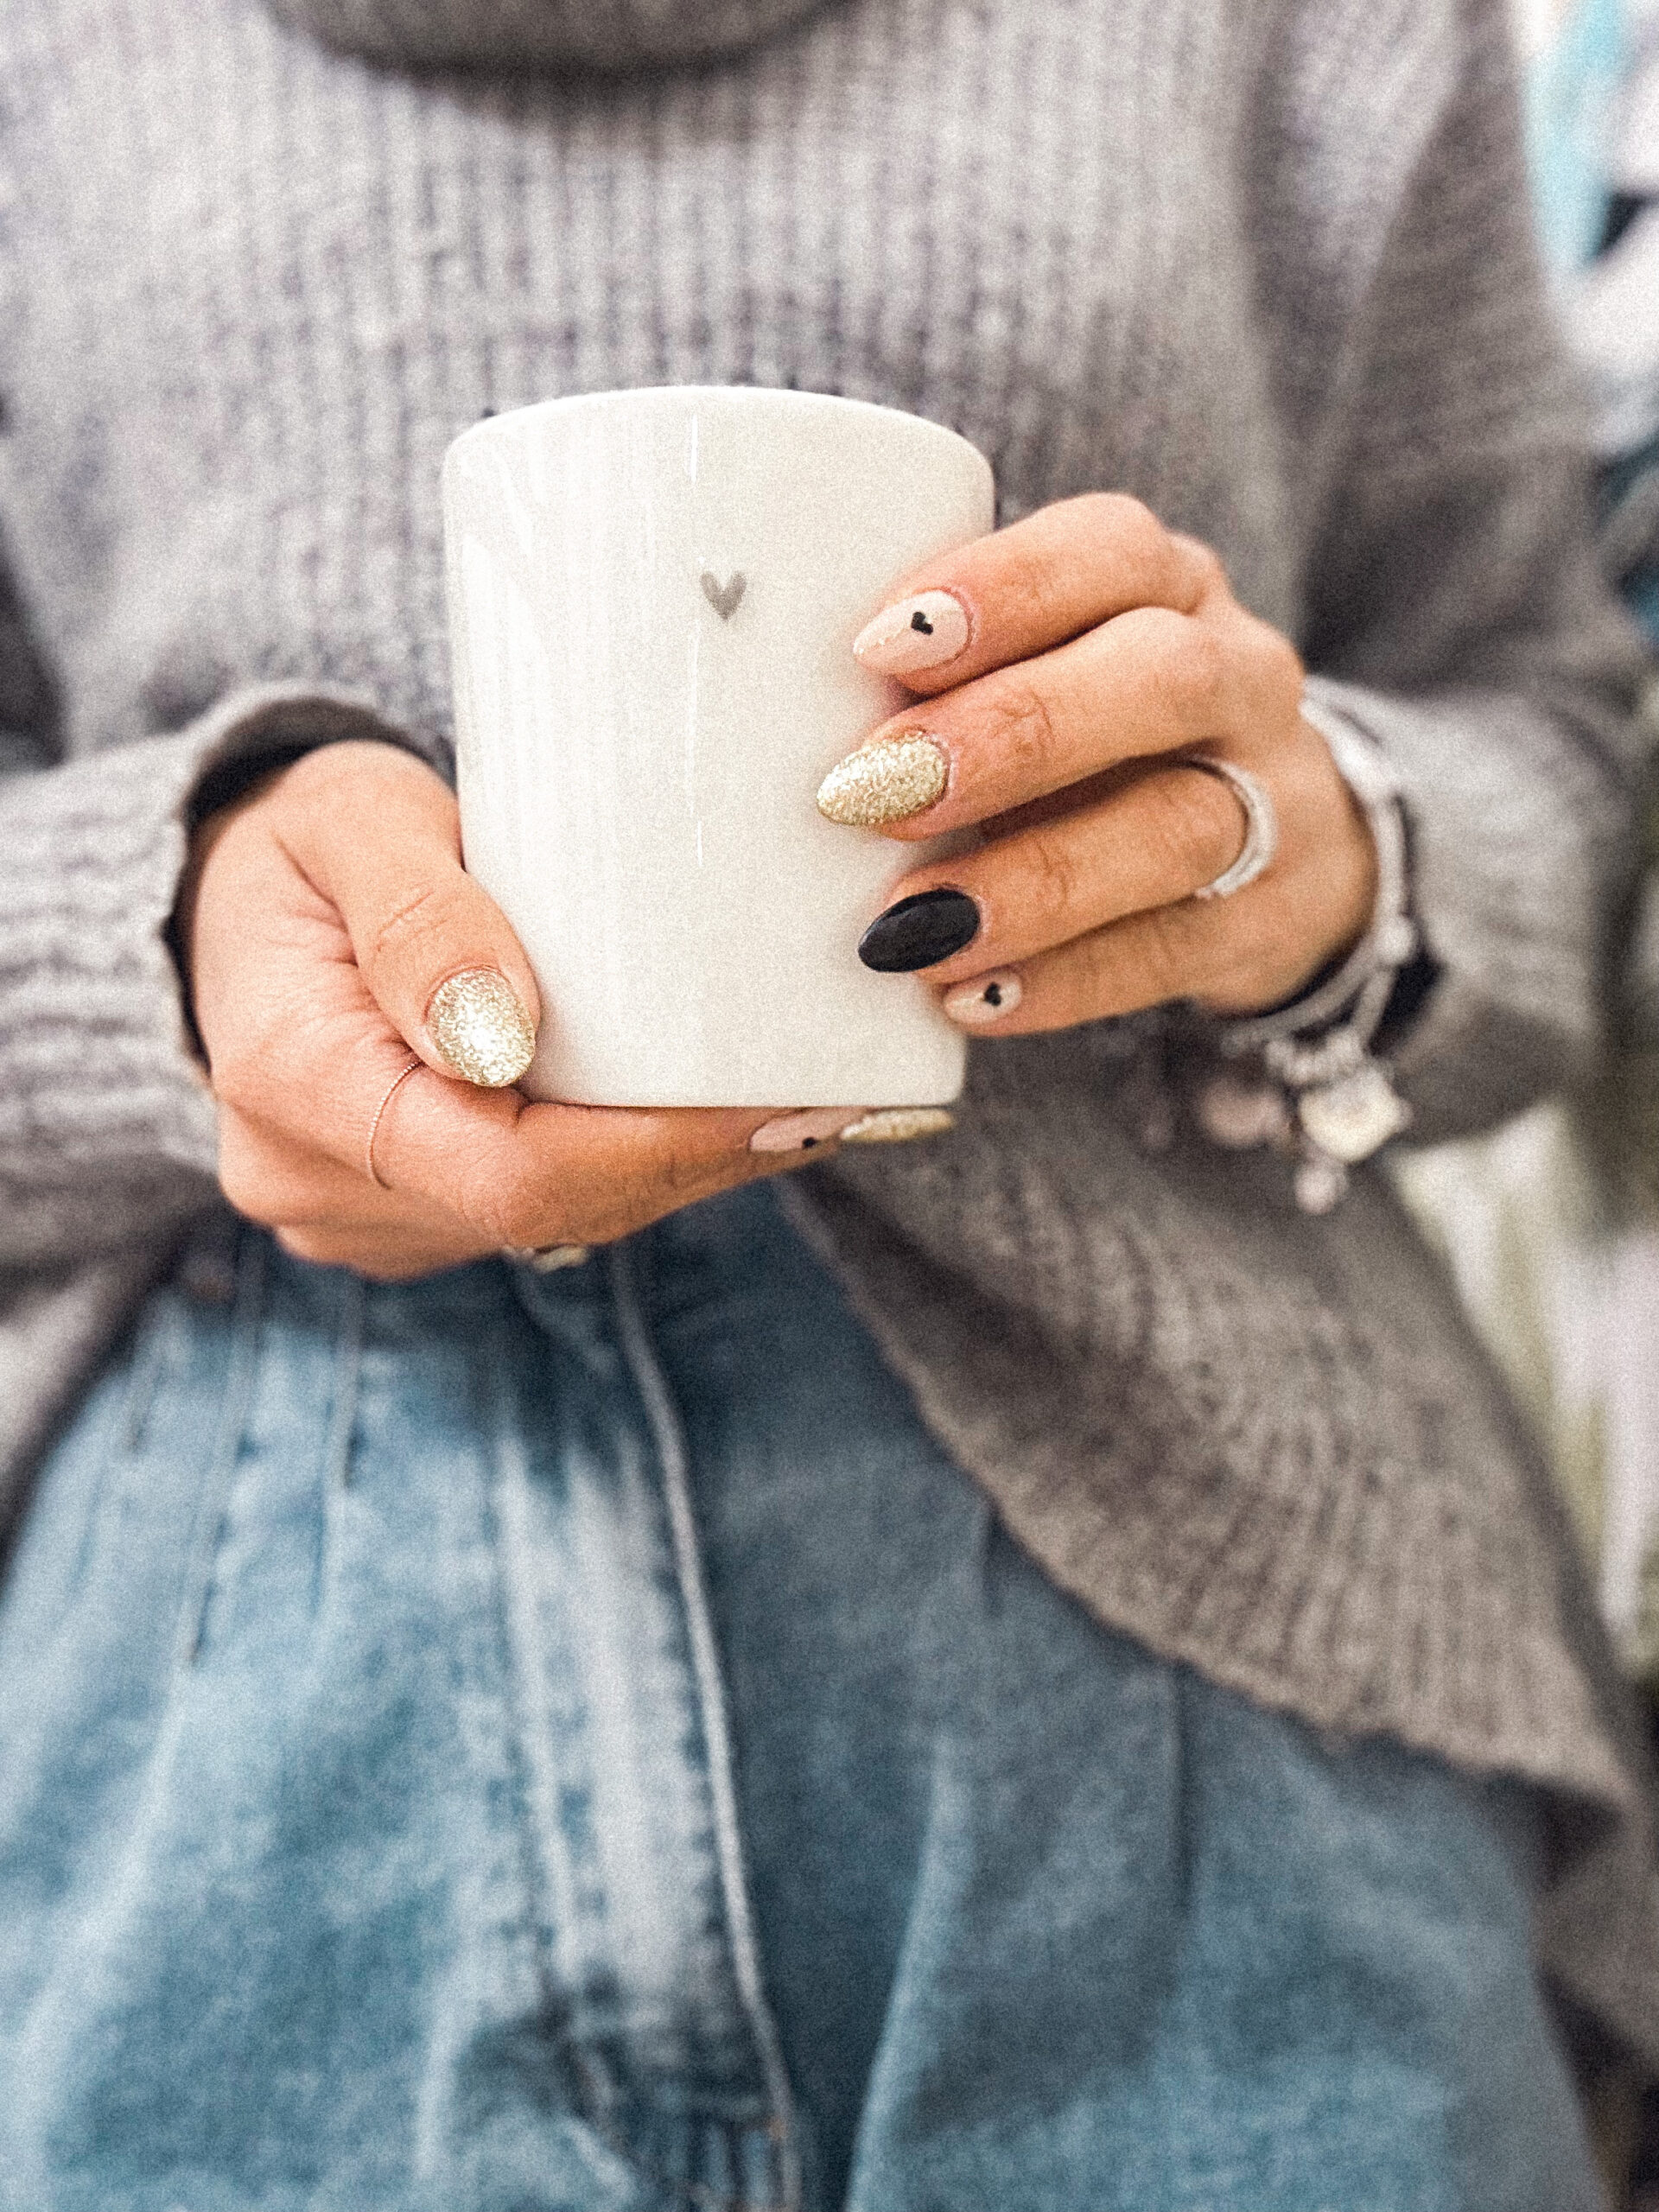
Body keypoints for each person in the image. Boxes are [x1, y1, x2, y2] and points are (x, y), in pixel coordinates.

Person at [0, 0, 1655, 2204]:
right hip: (231, 1704)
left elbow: (1552, 744)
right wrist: (162, 916)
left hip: (1217, 1645)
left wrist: (1313, 836)